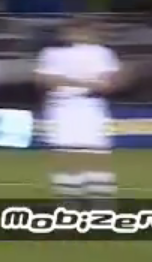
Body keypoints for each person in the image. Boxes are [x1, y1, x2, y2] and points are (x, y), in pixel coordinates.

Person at [34, 18, 123, 204]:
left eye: (83, 30)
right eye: (75, 30)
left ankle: (100, 202)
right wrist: (86, 82)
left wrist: (68, 81)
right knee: (65, 154)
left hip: (91, 106)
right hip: (62, 106)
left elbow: (110, 82)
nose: (79, 34)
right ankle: (70, 202)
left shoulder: (102, 53)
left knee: (97, 154)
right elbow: (44, 80)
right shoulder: (51, 53)